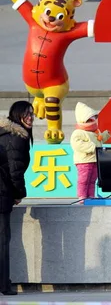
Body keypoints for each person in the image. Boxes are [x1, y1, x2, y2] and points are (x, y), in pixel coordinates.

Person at [0, 101, 34, 296]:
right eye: (27, 114)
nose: (31, 117)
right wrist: (19, 194)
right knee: (3, 241)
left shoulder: (4, 133)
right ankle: (4, 285)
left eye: (32, 114)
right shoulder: (17, 138)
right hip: (2, 195)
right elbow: (15, 171)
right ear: (17, 115)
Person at [70, 102, 110, 200]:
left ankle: (91, 196)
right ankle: (82, 196)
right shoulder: (78, 133)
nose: (93, 121)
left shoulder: (96, 132)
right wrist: (92, 147)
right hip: (84, 161)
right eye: (90, 119)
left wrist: (105, 135)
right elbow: (77, 144)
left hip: (95, 160)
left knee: (92, 179)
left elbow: (99, 140)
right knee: (84, 179)